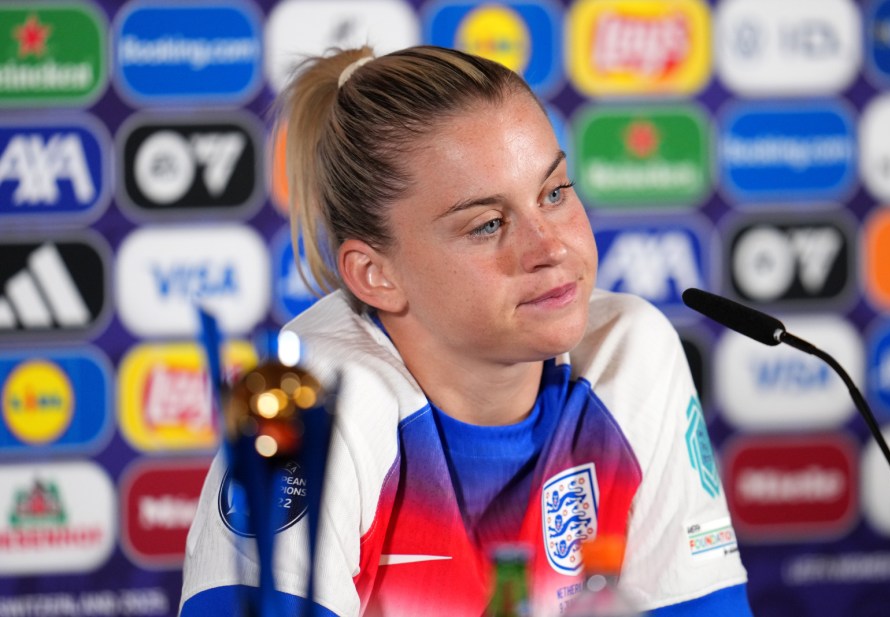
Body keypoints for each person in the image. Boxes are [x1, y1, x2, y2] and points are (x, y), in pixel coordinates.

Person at [179, 45, 753, 617]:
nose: (551, 247)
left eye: (554, 193)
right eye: (488, 225)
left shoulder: (626, 352)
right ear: (375, 274)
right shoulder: (310, 400)